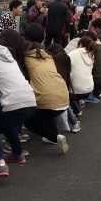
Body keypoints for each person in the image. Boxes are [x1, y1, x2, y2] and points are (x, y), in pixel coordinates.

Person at [0, 30, 37, 178]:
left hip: (14, 104)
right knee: (6, 124)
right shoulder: (11, 59)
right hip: (30, 101)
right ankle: (17, 154)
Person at [23, 24, 70, 155]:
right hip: (63, 96)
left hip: (46, 100)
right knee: (46, 115)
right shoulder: (48, 55)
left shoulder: (25, 56)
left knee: (28, 120)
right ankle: (54, 136)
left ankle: (54, 137)